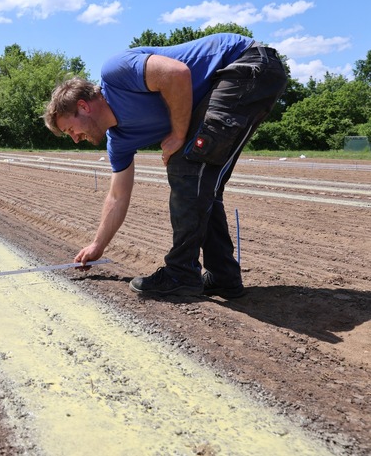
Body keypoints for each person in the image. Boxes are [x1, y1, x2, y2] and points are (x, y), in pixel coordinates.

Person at [43, 33, 287, 299]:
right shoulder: (119, 140)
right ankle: (223, 277)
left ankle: (181, 273)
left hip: (245, 66)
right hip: (243, 78)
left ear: (83, 106)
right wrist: (97, 245)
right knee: (203, 184)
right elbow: (117, 195)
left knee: (185, 164)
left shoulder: (115, 73)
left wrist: (179, 135)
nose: (75, 139)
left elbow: (177, 73)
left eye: (71, 129)